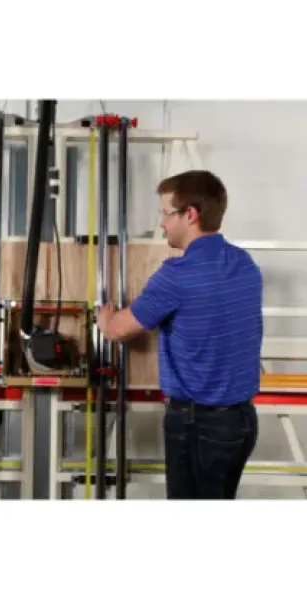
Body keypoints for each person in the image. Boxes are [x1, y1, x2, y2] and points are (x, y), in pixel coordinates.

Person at [95, 169, 262, 500]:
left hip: (198, 425)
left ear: (191, 215)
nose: (162, 223)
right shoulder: (244, 263)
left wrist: (105, 318)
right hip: (242, 422)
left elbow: (117, 330)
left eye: (166, 213)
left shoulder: (177, 275)